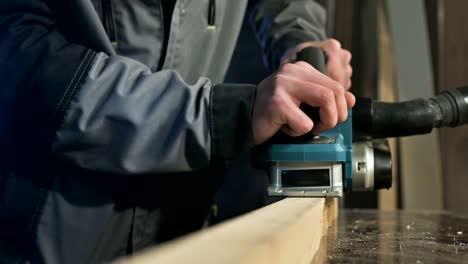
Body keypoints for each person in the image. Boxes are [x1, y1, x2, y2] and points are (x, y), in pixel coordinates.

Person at [0, 0, 353, 263]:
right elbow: (27, 63)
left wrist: (300, 42)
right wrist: (224, 115)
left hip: (184, 224)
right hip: (57, 230)